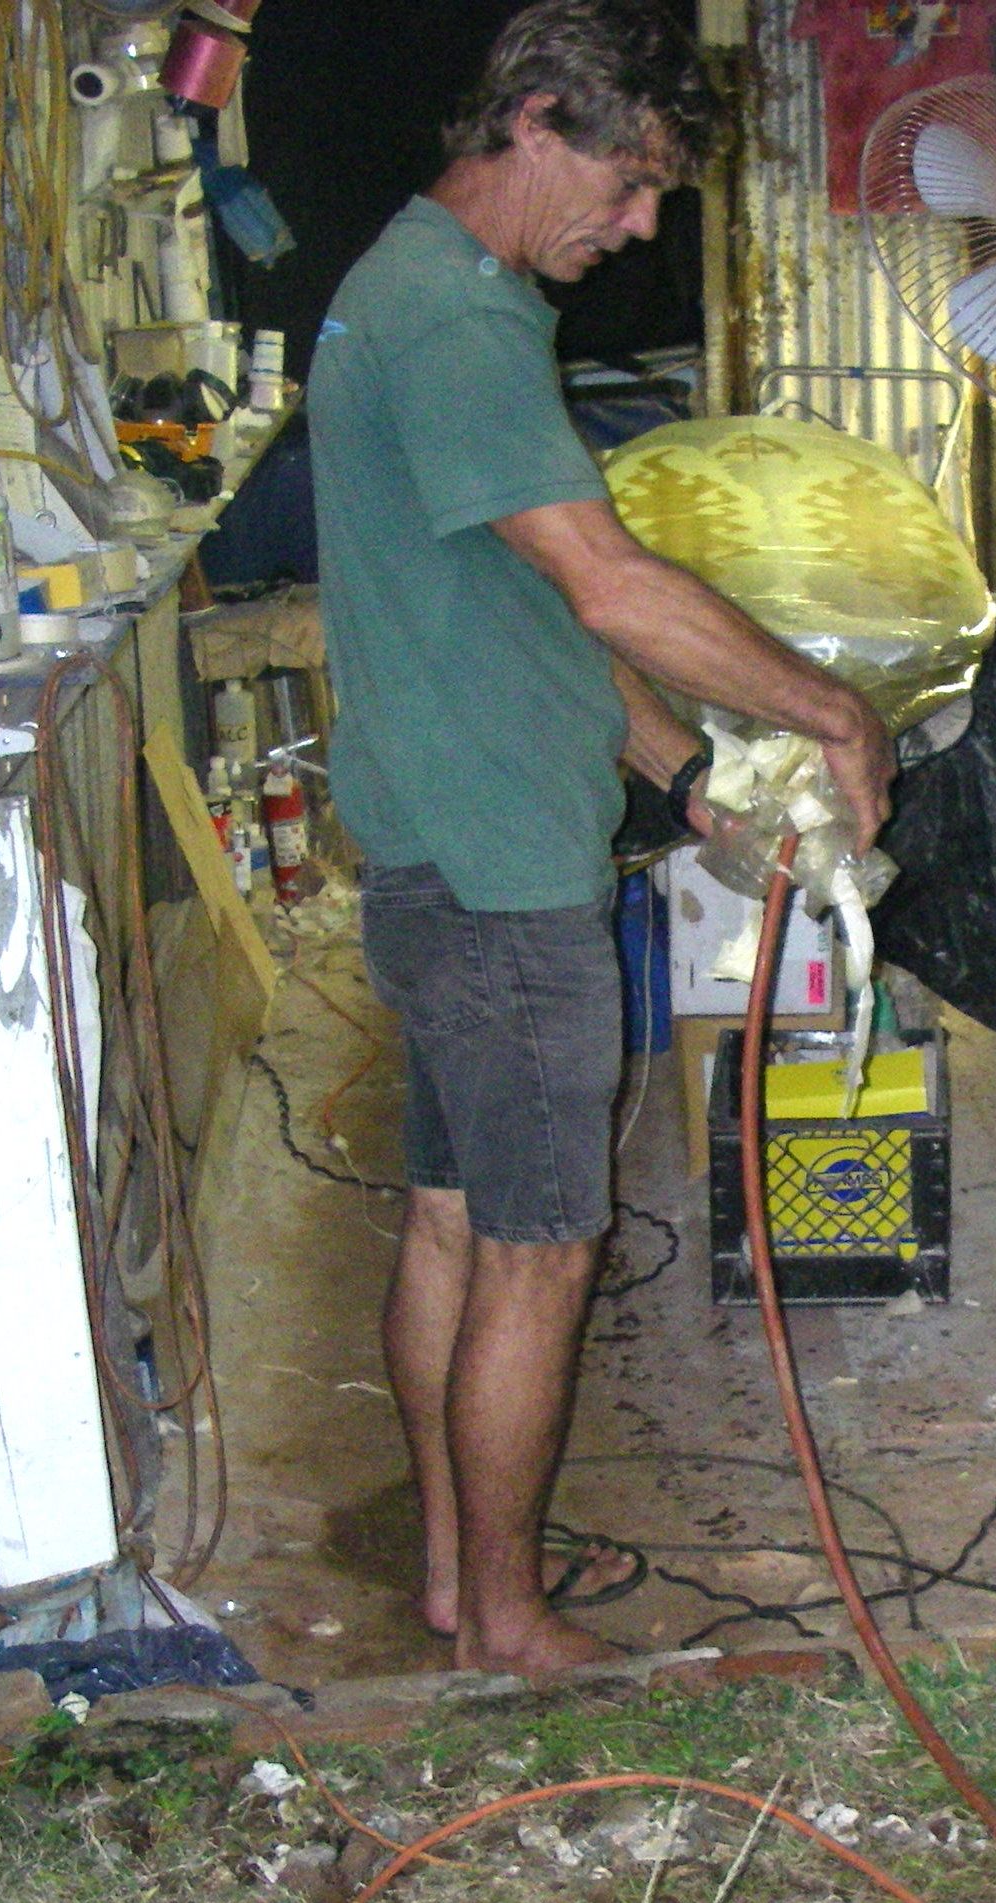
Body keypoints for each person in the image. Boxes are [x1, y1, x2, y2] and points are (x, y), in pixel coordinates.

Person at [311, 0, 895, 1681]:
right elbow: (611, 585)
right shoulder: (453, 322)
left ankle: (449, 1579)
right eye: (632, 183)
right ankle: (508, 1621)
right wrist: (831, 715)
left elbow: (510, 601)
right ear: (541, 119)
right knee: (540, 1252)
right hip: (500, 886)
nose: (640, 226)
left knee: (452, 1223)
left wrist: (684, 766)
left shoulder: (424, 296)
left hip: (446, 854)